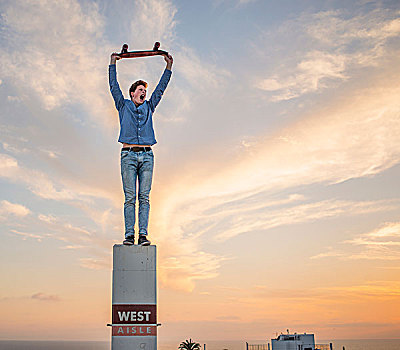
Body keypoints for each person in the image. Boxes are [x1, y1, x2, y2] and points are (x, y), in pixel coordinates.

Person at [109, 51, 173, 246]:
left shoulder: (149, 107)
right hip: (128, 156)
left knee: (144, 197)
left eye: (144, 90)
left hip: (147, 156)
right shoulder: (123, 105)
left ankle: (143, 235)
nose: (143, 92)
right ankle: (129, 235)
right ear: (132, 93)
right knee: (130, 197)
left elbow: (161, 89)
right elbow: (113, 86)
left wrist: (168, 67)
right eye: (139, 89)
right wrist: (113, 63)